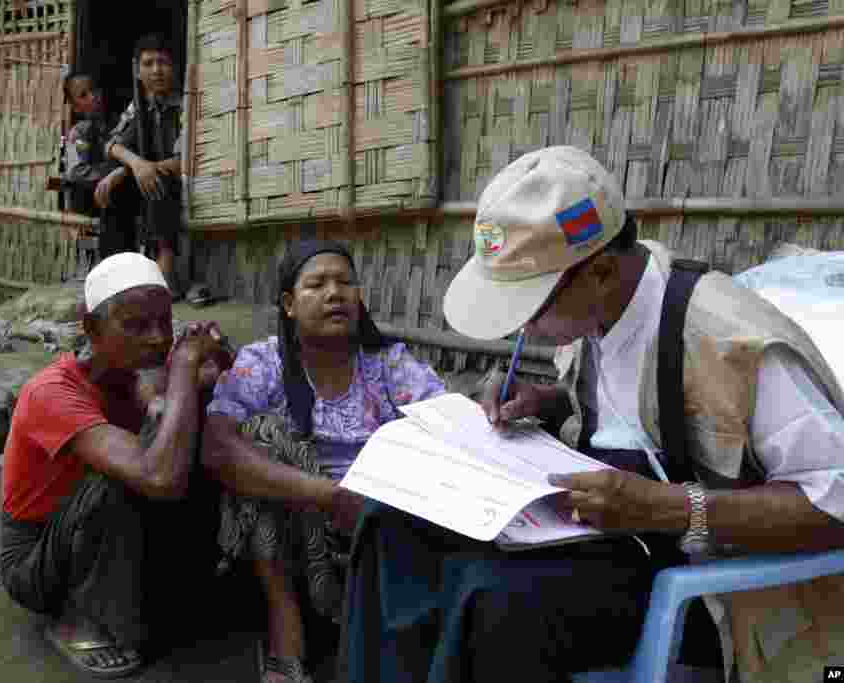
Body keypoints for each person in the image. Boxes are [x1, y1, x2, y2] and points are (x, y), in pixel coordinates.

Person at [341, 146, 844, 683]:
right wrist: (548, 401)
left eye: (530, 309)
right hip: (609, 530)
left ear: (601, 273)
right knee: (392, 527)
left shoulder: (729, 341)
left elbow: (834, 502)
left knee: (493, 600)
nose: (522, 330)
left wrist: (673, 509)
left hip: (703, 572)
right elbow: (636, 404)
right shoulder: (600, 305)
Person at [203, 240, 446, 683]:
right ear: (289, 304)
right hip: (294, 520)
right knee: (261, 433)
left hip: (378, 518)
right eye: (317, 284)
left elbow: (447, 424)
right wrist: (327, 494)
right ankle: (285, 629)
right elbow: (216, 448)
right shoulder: (263, 363)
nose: (335, 293)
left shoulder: (389, 363)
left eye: (345, 282)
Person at [0, 252, 233, 678]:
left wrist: (218, 363)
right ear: (92, 329)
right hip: (36, 559)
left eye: (164, 322)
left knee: (198, 440)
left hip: (93, 533)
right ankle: (75, 618)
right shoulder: (51, 392)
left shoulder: (133, 374)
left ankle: (168, 587)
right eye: (136, 325)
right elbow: (157, 477)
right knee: (123, 478)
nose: (158, 338)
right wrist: (183, 370)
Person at [96, 34, 184, 294]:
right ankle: (116, 272)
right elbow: (112, 144)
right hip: (151, 176)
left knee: (156, 180)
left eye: (163, 62)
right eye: (148, 63)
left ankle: (166, 276)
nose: (156, 70)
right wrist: (132, 165)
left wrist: (148, 168)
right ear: (137, 69)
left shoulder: (187, 101)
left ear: (175, 67)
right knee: (111, 187)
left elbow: (188, 159)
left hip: (179, 181)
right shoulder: (141, 104)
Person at [62, 71, 119, 216]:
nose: (93, 97)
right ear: (75, 107)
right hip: (93, 209)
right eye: (83, 95)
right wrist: (113, 172)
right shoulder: (79, 134)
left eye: (94, 90)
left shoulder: (120, 122)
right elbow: (76, 171)